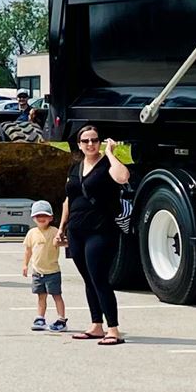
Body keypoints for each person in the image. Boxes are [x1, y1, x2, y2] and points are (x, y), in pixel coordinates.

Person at [58, 123, 131, 345]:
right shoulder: (75, 168)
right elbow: (68, 200)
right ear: (79, 145)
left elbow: (123, 177)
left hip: (101, 230)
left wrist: (110, 153)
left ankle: (113, 330)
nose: (90, 144)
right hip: (76, 230)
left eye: (94, 140)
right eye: (86, 141)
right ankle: (96, 325)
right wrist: (61, 227)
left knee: (99, 278)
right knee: (88, 279)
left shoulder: (107, 164)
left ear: (100, 142)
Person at [24, 200, 67, 333]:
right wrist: (25, 265)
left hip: (52, 271)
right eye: (38, 216)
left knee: (56, 295)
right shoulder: (31, 233)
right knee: (40, 296)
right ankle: (40, 318)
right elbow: (28, 250)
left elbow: (64, 243)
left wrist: (60, 241)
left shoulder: (54, 231)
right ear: (33, 218)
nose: (41, 218)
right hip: (37, 272)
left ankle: (61, 319)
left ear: (51, 218)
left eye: (45, 216)